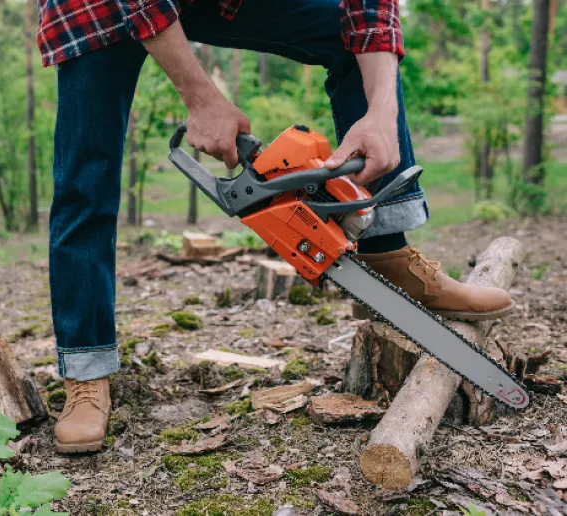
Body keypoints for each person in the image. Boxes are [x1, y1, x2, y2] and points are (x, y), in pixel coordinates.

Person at [36, 0, 515, 454]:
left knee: (348, 36)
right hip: (97, 8)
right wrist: (201, 97)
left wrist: (381, 111)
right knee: (86, 178)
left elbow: (370, 11)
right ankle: (85, 367)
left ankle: (387, 252)